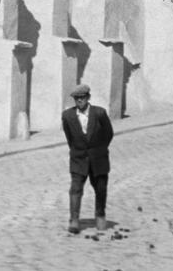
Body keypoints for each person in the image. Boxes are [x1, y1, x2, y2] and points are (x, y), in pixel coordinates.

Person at [61, 82, 114, 233]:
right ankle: (74, 220)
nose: (79, 101)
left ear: (88, 97)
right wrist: (79, 150)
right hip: (78, 159)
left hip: (99, 159)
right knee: (75, 189)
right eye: (76, 98)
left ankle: (100, 216)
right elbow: (69, 137)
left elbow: (108, 134)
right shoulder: (68, 116)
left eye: (82, 98)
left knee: (100, 188)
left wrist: (99, 149)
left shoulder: (100, 113)